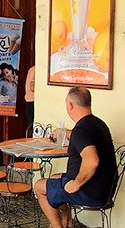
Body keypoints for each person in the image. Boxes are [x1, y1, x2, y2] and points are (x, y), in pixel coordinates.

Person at [34, 87, 117, 228]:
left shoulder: (81, 130)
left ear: (70, 105)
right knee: (54, 176)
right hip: (105, 188)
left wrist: (76, 183)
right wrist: (65, 132)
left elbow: (92, 161)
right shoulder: (98, 123)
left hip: (89, 191)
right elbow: (82, 136)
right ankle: (67, 221)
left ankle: (56, 226)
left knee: (39, 186)